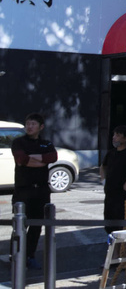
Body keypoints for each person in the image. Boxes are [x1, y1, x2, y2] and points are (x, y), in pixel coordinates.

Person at [11, 113, 58, 270]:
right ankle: (16, 256)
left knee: (37, 224)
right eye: (28, 123)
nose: (29, 126)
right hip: (23, 190)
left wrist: (34, 159)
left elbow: (52, 157)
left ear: (41, 127)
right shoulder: (19, 142)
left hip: (42, 191)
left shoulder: (46, 143)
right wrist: (41, 160)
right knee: (20, 224)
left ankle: (30, 255)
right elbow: (21, 160)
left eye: (33, 124)